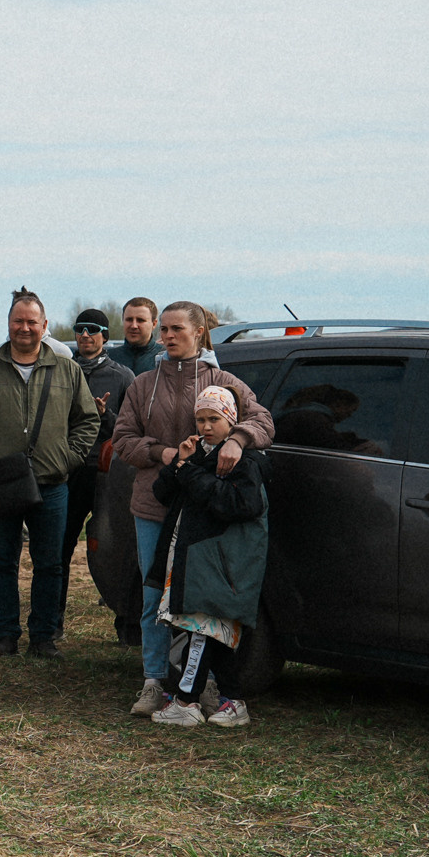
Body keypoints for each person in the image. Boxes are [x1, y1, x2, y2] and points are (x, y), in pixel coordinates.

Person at [111, 302, 275, 715]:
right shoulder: (143, 385)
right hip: (154, 504)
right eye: (164, 329)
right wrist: (163, 453)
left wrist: (237, 439)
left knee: (204, 598)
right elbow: (123, 438)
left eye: (177, 329)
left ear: (199, 333)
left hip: (205, 514)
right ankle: (153, 682)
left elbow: (264, 421)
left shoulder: (224, 382)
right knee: (154, 598)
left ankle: (206, 683)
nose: (168, 336)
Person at [0, 291, 99, 659]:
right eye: (19, 321)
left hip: (52, 484)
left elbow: (87, 419)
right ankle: (6, 634)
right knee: (2, 561)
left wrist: (68, 458)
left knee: (49, 563)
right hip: (1, 483)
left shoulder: (67, 369)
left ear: (45, 326)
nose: (25, 328)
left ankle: (43, 637)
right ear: (9, 323)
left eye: (32, 321)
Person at [145, 386, 269, 729]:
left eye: (214, 418)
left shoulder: (245, 460)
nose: (206, 426)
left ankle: (186, 702)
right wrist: (180, 462)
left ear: (231, 420)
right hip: (193, 559)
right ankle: (234, 701)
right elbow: (161, 493)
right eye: (200, 419)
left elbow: (241, 504)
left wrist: (191, 473)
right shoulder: (198, 454)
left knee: (202, 630)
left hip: (219, 561)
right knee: (212, 632)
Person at [58, 309, 135, 618]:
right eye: (80, 329)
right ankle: (53, 621)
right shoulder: (62, 371)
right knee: (60, 547)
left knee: (116, 547)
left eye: (92, 329)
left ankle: (125, 619)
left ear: (105, 335)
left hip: (107, 472)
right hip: (69, 470)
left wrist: (104, 415)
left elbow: (130, 431)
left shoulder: (122, 376)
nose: (85, 335)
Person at [113, 298, 161, 375]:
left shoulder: (166, 358)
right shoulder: (109, 359)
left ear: (154, 324)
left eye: (140, 320)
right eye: (129, 320)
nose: (134, 326)